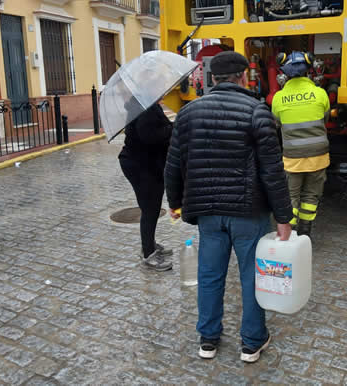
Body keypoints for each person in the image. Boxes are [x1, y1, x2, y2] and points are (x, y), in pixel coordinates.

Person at [165, 51, 293, 363]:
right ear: (244, 77)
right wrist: (283, 217)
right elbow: (272, 171)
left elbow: (173, 164)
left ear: (212, 78)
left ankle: (208, 340)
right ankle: (252, 343)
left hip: (208, 213)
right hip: (249, 213)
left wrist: (175, 202)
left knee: (210, 275)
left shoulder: (188, 113)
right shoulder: (258, 111)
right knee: (252, 277)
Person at [271, 51, 330, 237]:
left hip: (293, 158)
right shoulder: (320, 94)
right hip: (319, 156)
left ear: (284, 74)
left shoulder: (278, 98)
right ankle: (305, 231)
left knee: (291, 196)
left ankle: (290, 233)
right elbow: (325, 119)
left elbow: (277, 123)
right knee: (311, 195)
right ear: (308, 71)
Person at [119, 102, 173, 271]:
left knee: (152, 208)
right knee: (150, 208)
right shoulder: (144, 107)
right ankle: (148, 254)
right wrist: (173, 128)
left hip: (147, 164)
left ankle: (149, 244)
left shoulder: (147, 105)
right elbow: (149, 136)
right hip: (141, 165)